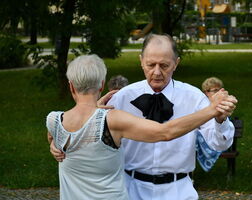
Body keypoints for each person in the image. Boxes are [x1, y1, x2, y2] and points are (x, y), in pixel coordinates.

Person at [51, 34, 238, 200]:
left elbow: (219, 144)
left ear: (176, 63)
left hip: (179, 189)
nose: (157, 72)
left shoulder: (194, 97)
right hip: (131, 189)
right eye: (151, 65)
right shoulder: (122, 97)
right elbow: (89, 131)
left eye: (164, 65)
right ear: (141, 61)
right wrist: (59, 144)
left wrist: (220, 119)